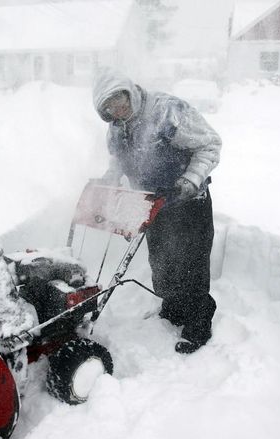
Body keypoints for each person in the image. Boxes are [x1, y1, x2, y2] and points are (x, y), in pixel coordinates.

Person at [92, 69, 221, 354]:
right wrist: (109, 180)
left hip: (188, 200)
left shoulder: (166, 111)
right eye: (109, 107)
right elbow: (118, 162)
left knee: (191, 264)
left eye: (119, 99)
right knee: (162, 263)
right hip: (152, 203)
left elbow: (210, 144)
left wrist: (189, 181)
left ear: (128, 90)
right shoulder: (117, 127)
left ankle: (199, 323)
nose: (118, 109)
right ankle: (173, 310)